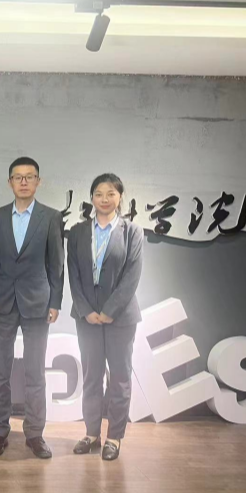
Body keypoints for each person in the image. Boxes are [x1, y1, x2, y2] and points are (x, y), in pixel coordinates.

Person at [0, 157, 64, 459]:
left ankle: (35, 434)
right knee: (0, 371)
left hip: (37, 303)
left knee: (35, 372)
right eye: (18, 177)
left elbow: (56, 264)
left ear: (38, 182)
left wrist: (55, 301)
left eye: (29, 177)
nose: (23, 182)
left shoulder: (51, 217)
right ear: (10, 182)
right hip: (2, 302)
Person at [67, 173, 144, 461]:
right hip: (86, 317)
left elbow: (132, 275)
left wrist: (110, 310)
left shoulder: (132, 232)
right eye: (99, 194)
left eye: (111, 193)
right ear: (91, 198)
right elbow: (73, 274)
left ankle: (114, 437)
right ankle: (91, 434)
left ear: (120, 197)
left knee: (120, 378)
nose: (104, 199)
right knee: (91, 376)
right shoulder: (77, 232)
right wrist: (86, 310)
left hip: (120, 319)